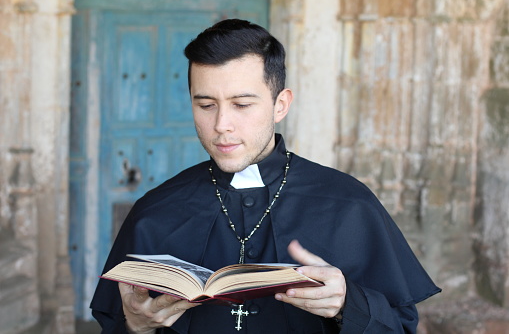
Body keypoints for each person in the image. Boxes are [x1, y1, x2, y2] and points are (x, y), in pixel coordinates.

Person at [90, 18, 441, 333]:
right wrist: (135, 327)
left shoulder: (350, 205)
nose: (221, 125)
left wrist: (348, 304)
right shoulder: (154, 212)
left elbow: (401, 327)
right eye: (206, 104)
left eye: (242, 104)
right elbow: (115, 324)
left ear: (280, 105)